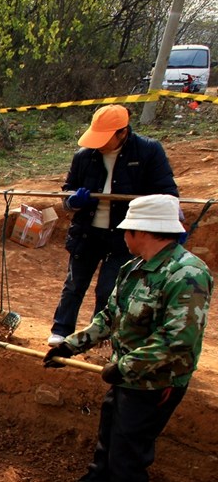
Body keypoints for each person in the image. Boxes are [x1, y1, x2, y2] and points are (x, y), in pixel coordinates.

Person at [43, 195, 211, 482]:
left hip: (154, 385)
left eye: (126, 231)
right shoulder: (135, 267)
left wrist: (126, 367)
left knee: (128, 458)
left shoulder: (187, 275)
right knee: (109, 439)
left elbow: (178, 341)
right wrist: (70, 347)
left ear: (143, 231)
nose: (122, 236)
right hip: (126, 377)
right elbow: (111, 316)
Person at [47, 104, 178, 347]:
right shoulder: (84, 156)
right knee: (74, 284)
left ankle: (98, 337)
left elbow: (167, 193)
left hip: (125, 236)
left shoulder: (148, 152)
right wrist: (73, 202)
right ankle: (61, 330)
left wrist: (169, 224)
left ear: (123, 132)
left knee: (110, 289)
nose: (99, 144)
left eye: (105, 138)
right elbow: (66, 196)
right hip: (87, 232)